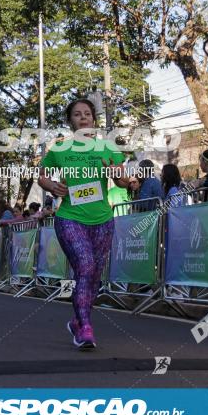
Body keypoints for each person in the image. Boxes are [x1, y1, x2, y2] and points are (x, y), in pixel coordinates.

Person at [38, 98, 130, 350]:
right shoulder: (59, 150)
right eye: (77, 114)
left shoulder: (107, 147)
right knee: (86, 267)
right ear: (71, 121)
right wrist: (53, 186)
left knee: (94, 278)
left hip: (102, 220)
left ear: (93, 119)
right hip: (69, 218)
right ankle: (86, 328)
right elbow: (42, 177)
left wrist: (119, 177)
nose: (83, 118)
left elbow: (122, 180)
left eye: (87, 114)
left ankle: (77, 321)